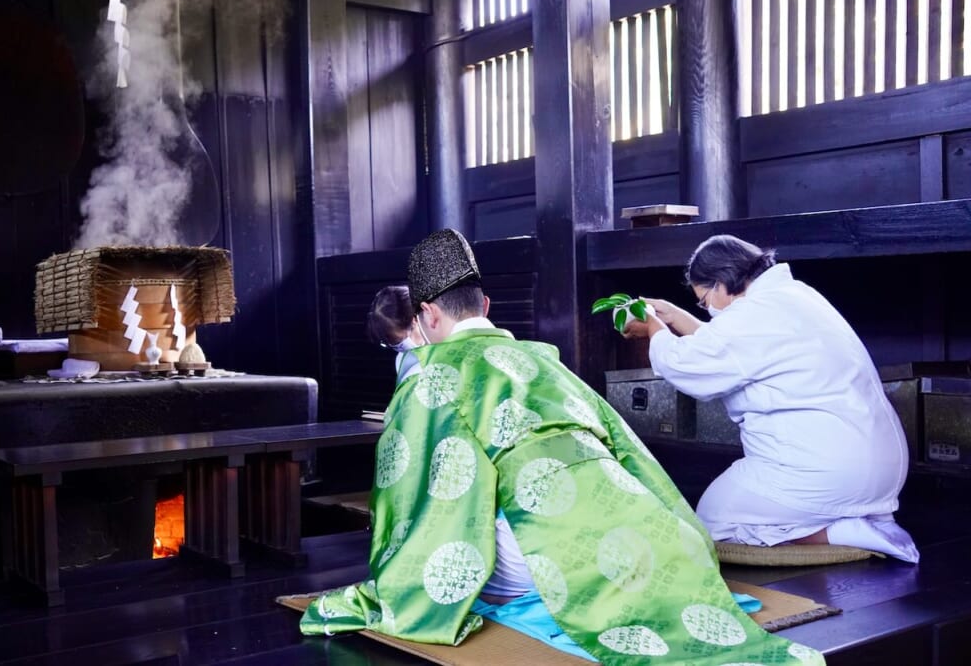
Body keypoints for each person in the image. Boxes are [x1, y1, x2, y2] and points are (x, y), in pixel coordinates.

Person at [300, 229, 823, 665]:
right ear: (486, 306)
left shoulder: (429, 381)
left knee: (451, 545)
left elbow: (409, 493)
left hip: (539, 564)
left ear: (427, 316)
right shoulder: (546, 362)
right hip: (641, 535)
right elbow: (628, 450)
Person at [621, 234, 919, 563]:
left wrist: (653, 328)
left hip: (828, 472)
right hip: (882, 469)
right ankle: (852, 518)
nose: (708, 309)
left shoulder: (754, 314)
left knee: (714, 520)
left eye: (704, 301)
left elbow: (686, 365)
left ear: (721, 282)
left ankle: (842, 532)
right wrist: (676, 317)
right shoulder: (795, 296)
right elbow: (734, 350)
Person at [366, 285, 424, 383]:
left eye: (404, 340)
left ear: (415, 319)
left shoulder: (446, 339)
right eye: (397, 345)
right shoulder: (402, 362)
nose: (404, 349)